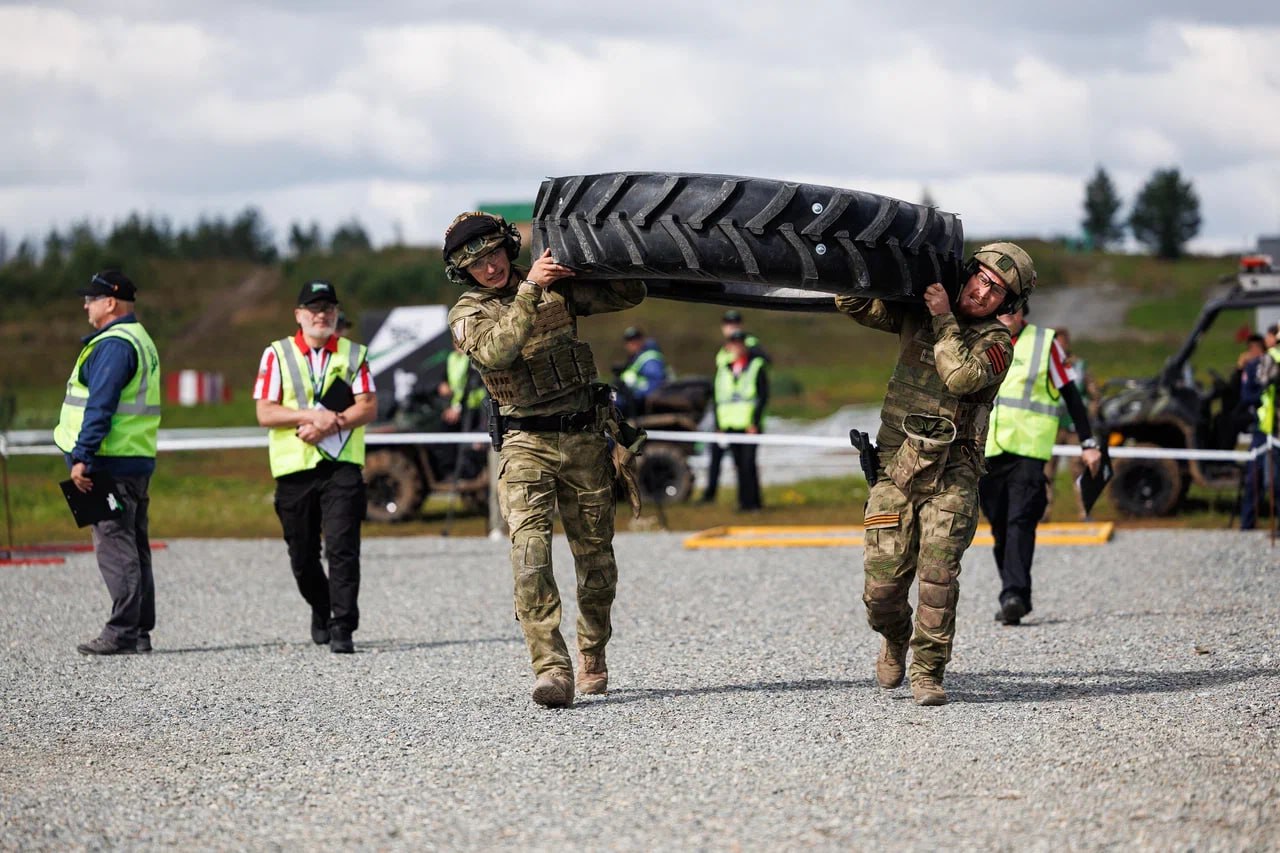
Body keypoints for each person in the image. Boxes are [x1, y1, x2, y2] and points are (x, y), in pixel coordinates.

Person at [445, 211, 646, 709]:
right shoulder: (467, 312)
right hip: (525, 444)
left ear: (507, 248)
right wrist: (530, 288)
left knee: (597, 562)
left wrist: (593, 262)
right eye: (477, 264)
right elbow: (498, 352)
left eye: (494, 255)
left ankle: (592, 652)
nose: (489, 268)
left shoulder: (554, 284)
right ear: (463, 272)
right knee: (530, 559)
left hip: (582, 440)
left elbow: (630, 294)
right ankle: (551, 670)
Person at [836, 242, 1031, 707]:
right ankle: (895, 637)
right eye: (980, 278)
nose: (983, 293)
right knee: (881, 591)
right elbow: (852, 302)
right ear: (967, 274)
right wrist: (879, 267)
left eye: (997, 290)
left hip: (952, 475)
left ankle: (928, 671)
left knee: (938, 578)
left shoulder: (997, 342)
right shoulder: (917, 313)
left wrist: (944, 317)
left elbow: (960, 379)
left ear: (1007, 303)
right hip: (895, 468)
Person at [253, 280, 377, 654]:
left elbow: (368, 406)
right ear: (299, 315)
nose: (321, 315)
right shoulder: (276, 354)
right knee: (302, 555)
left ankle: (343, 625)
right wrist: (310, 416)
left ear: (336, 314)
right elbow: (265, 412)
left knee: (342, 547)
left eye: (328, 308)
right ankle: (321, 606)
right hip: (294, 468)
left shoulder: (355, 354)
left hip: (342, 467)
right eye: (313, 308)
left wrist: (332, 422)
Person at [54, 270, 162, 655]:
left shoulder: (115, 345)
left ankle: (122, 632)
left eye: (91, 298)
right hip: (132, 459)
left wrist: (82, 457)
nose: (86, 305)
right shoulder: (139, 339)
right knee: (133, 544)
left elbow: (100, 406)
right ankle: (139, 631)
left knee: (115, 546)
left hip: (107, 463)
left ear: (111, 302)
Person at [980, 306, 1102, 626]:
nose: (1004, 313)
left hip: (1029, 451)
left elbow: (1072, 397)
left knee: (1021, 518)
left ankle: (1013, 595)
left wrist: (1088, 443)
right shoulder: (979, 338)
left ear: (1023, 310)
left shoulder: (1045, 344)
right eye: (999, 307)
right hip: (987, 449)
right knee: (999, 526)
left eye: (1011, 307)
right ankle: (1015, 592)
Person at [703, 310, 768, 503]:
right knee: (733, 463)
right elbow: (720, 395)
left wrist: (754, 421)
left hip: (748, 421)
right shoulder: (723, 360)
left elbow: (761, 393)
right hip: (727, 421)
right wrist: (718, 423)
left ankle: (752, 502)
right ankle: (721, 497)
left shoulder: (754, 354)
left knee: (748, 464)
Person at [1242, 332, 1280, 530]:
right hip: (1265, 429)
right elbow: (1249, 394)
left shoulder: (1270, 362)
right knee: (1258, 480)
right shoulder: (1261, 364)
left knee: (1273, 481)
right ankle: (1246, 525)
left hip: (1272, 432)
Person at [616, 326, 670, 416]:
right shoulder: (635, 359)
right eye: (629, 340)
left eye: (635, 339)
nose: (632, 344)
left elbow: (655, 383)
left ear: (642, 340)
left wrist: (635, 395)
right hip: (630, 399)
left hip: (638, 404)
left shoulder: (650, 358)